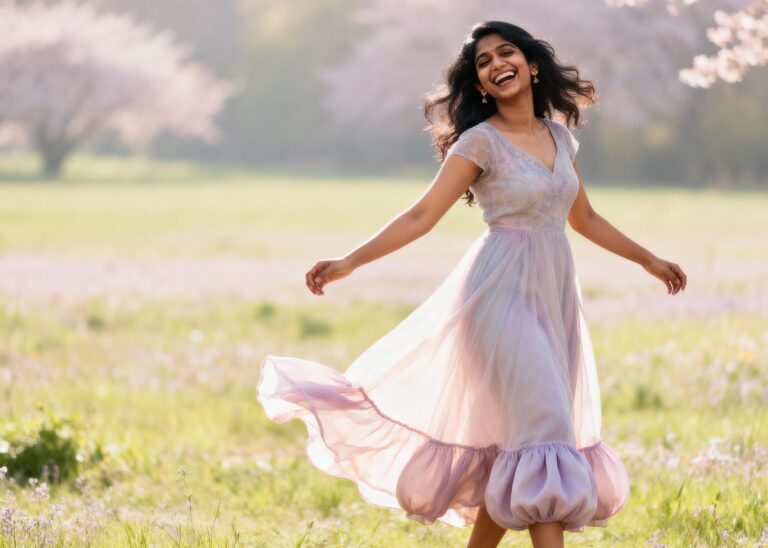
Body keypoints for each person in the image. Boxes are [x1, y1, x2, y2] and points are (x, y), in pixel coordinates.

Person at [258, 20, 687, 548]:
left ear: (531, 65)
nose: (495, 64)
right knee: (545, 434)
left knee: (521, 441)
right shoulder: (479, 142)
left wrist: (649, 259)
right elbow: (421, 216)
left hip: (553, 299)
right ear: (481, 85)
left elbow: (586, 219)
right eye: (483, 63)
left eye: (505, 53)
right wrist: (350, 260)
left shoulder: (559, 137)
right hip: (498, 295)